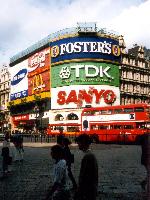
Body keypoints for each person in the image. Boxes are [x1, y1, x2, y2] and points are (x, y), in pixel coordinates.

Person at [74, 134, 98, 200]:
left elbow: (84, 175)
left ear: (83, 142)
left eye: (78, 142)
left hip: (87, 190)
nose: (77, 144)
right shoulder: (90, 155)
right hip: (90, 189)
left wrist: (79, 190)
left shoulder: (88, 156)